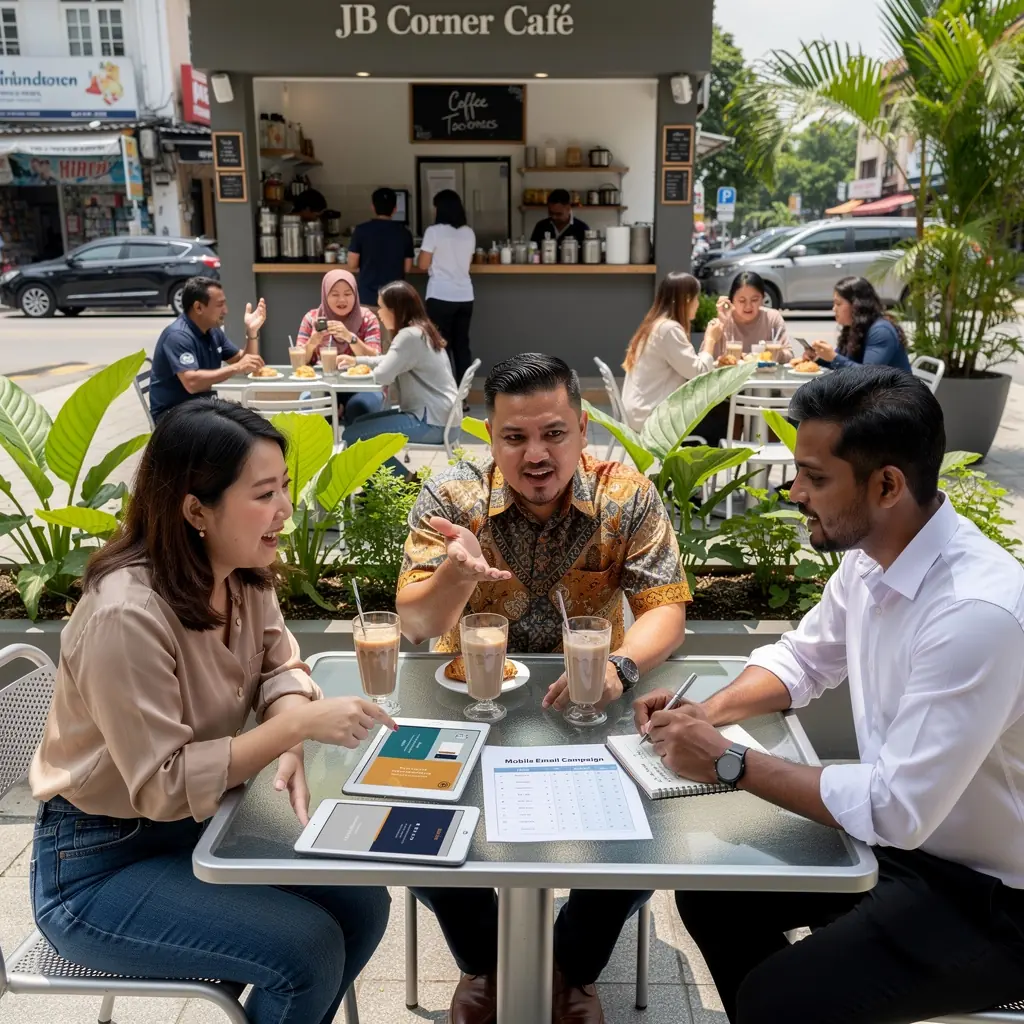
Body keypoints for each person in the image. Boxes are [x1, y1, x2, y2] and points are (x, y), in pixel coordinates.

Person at [633, 366, 1024, 1024]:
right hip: (901, 851)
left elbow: (897, 807)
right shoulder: (872, 558)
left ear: (887, 485)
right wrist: (708, 712)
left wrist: (729, 761)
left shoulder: (974, 613)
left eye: (815, 477)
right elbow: (804, 658)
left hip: (991, 899)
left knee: (776, 1000)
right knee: (710, 894)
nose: (794, 492)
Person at [29, 399, 394, 1024]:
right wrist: (293, 727)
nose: (285, 510)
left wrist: (289, 726)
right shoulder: (127, 615)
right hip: (96, 865)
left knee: (363, 906)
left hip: (200, 828)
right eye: (263, 494)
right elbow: (164, 784)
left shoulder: (243, 573)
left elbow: (281, 664)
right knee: (305, 949)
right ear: (196, 508)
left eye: (285, 487)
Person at [397, 353, 691, 1024]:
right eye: (515, 437)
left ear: (582, 430)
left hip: (588, 705)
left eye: (553, 433)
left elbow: (665, 610)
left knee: (654, 825)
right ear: (489, 436)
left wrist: (619, 669)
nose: (536, 454)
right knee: (408, 828)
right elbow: (415, 620)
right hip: (465, 705)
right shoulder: (450, 498)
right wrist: (457, 573)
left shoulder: (625, 495)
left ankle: (573, 965)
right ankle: (485, 962)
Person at [339, 279, 458, 474]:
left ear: (395, 310)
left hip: (431, 422)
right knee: (357, 424)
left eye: (381, 307)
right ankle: (385, 489)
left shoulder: (408, 336)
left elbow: (383, 375)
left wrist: (360, 368)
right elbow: (390, 360)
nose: (379, 312)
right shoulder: (421, 331)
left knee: (353, 435)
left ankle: (403, 486)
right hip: (442, 418)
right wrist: (358, 361)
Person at [149, 276, 265, 421]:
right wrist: (236, 368)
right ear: (198, 307)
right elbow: (192, 383)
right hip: (173, 416)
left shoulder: (213, 331)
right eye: (219, 305)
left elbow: (247, 364)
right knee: (237, 431)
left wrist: (252, 332)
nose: (226, 310)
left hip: (201, 408)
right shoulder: (178, 336)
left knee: (251, 418)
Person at [621, 271, 716, 431]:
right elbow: (699, 374)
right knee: (721, 418)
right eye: (696, 298)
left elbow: (689, 365)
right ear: (686, 300)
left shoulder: (655, 324)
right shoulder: (668, 330)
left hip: (639, 409)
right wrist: (711, 340)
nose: (698, 304)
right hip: (652, 416)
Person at [296, 268, 384, 424]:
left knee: (360, 407)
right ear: (325, 295)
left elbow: (376, 359)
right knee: (311, 406)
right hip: (322, 385)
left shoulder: (367, 318)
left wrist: (351, 337)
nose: (342, 300)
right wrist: (312, 343)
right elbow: (299, 365)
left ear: (356, 295)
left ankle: (357, 447)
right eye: (335, 295)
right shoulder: (312, 319)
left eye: (348, 294)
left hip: (362, 386)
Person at [419, 189, 476, 386]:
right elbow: (467, 263)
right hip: (465, 296)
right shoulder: (468, 232)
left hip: (440, 296)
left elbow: (423, 264)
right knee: (462, 346)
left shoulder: (433, 232)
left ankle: (444, 392)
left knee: (440, 346)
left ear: (439, 209)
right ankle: (464, 397)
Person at [810, 275, 912, 372]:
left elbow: (867, 375)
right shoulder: (855, 326)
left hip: (893, 390)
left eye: (838, 304)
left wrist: (833, 357)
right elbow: (844, 364)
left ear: (856, 306)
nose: (834, 309)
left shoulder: (881, 331)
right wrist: (818, 357)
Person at [347, 186, 415, 308]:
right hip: (394, 297)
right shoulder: (404, 232)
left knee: (368, 327)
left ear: (373, 207)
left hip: (367, 296)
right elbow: (408, 267)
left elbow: (352, 264)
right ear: (395, 209)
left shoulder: (361, 230)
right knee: (391, 327)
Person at [705, 271, 792, 362]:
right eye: (742, 301)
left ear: (762, 299)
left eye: (754, 300)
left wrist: (776, 352)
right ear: (732, 300)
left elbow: (789, 356)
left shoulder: (772, 318)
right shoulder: (722, 320)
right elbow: (705, 360)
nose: (748, 306)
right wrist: (722, 323)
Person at [529, 188, 589, 257]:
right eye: (551, 213)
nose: (554, 217)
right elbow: (532, 252)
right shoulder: (541, 226)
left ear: (568, 208)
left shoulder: (582, 229)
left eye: (558, 214)